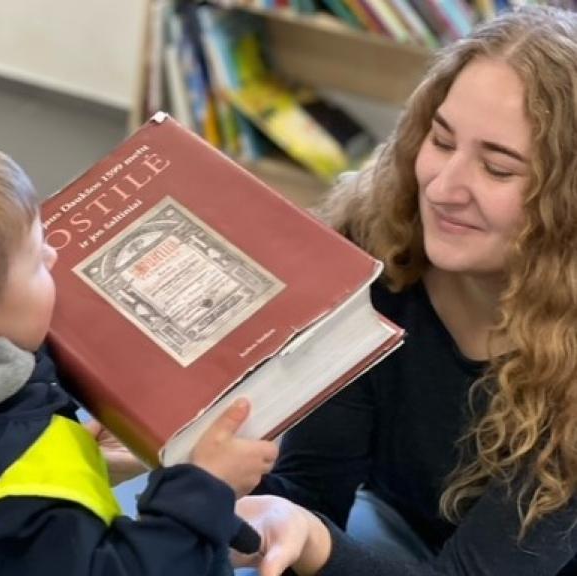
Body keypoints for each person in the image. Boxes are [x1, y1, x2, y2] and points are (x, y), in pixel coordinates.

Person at [233, 5, 577, 576]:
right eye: (441, 141)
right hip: (399, 536)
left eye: (498, 169)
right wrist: (217, 484)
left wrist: (311, 540)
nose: (442, 188)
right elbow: (312, 493)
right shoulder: (381, 250)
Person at [0, 141, 278, 575]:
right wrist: (203, 493)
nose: (54, 256)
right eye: (37, 259)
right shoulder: (16, 493)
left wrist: (82, 464)